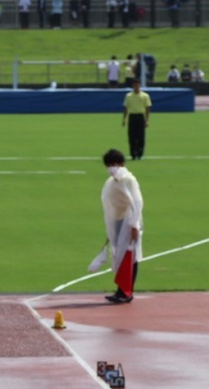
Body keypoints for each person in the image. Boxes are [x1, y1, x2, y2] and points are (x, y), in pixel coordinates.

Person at [95, 149, 143, 304]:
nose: (111, 167)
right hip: (118, 221)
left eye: (114, 164)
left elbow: (137, 202)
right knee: (119, 255)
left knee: (129, 256)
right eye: (109, 165)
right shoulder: (111, 182)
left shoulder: (129, 179)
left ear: (121, 164)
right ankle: (121, 290)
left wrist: (134, 225)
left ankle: (126, 292)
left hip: (129, 221)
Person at [121, 80, 151, 161]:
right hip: (132, 116)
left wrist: (147, 120)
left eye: (137, 85)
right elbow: (126, 108)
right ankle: (133, 153)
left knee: (141, 136)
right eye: (135, 85)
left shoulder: (145, 96)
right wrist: (124, 119)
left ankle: (140, 153)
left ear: (140, 85)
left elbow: (147, 108)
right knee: (132, 136)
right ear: (133, 86)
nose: (136, 86)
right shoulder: (129, 96)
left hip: (140, 116)